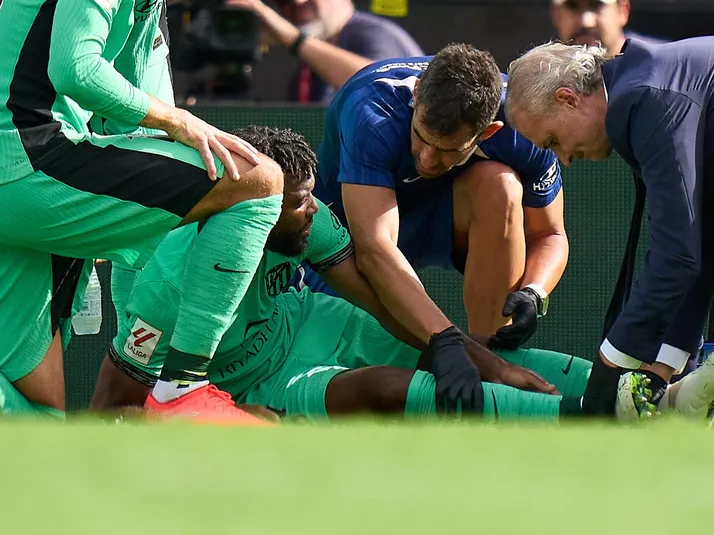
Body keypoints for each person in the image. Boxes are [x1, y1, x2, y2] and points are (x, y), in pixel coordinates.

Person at [91, 125, 602, 423]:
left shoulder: (302, 216)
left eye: (310, 194)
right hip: (259, 385)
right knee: (384, 387)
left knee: (457, 355)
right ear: (253, 209)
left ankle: (620, 390)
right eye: (298, 202)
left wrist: (476, 357)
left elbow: (379, 301)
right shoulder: (165, 288)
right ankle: (581, 419)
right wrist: (239, 421)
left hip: (311, 322)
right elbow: (109, 410)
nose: (313, 209)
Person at [0, 0, 290, 424]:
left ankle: (171, 388)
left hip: (24, 175)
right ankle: (182, 386)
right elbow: (77, 70)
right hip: (25, 163)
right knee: (257, 180)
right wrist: (179, 121)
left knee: (38, 418)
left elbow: (141, 127)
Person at [310, 43, 569, 354]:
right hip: (354, 231)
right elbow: (375, 251)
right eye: (421, 136)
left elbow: (549, 234)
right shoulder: (371, 112)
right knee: (335, 346)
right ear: (416, 93)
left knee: (501, 185)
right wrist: (445, 342)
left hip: (444, 216)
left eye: (448, 150)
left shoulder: (523, 129)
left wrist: (533, 292)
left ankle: (492, 355)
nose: (428, 160)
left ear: (488, 132)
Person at [504, 38, 714, 417]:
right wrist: (663, 367)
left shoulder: (647, 99)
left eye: (553, 141)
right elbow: (697, 240)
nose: (565, 159)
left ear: (568, 99)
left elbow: (679, 254)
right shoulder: (642, 91)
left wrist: (610, 366)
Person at [227, 0, 423, 103]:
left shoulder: (371, 32)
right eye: (284, 1)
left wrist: (294, 38)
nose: (297, 2)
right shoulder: (308, 69)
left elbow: (382, 87)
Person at [549, 0, 666, 56]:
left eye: (596, 5)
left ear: (622, 11)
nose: (586, 22)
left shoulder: (657, 65)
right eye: (572, 6)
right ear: (556, 14)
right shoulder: (543, 75)